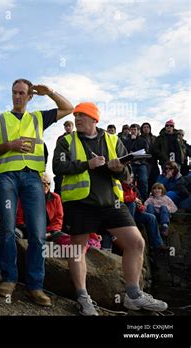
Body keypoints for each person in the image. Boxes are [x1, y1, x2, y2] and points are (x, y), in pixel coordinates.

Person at [53, 102, 167, 316]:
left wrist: (119, 169)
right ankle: (83, 297)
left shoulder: (113, 140)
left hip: (112, 203)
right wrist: (88, 164)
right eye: (76, 116)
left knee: (135, 242)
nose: (77, 120)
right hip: (80, 203)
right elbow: (58, 168)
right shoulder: (65, 140)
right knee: (78, 248)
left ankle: (133, 295)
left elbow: (127, 175)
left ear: (95, 120)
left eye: (83, 116)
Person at [0, 78, 73, 306]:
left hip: (33, 178)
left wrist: (50, 92)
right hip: (6, 176)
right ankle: (9, 278)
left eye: (21, 93)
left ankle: (36, 286)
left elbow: (68, 108)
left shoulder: (38, 117)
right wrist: (9, 146)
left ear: (29, 96)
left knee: (37, 233)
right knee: (7, 228)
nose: (17, 96)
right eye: (14, 92)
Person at [122, 175, 169, 253]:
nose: (130, 179)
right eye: (128, 177)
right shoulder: (119, 186)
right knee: (132, 204)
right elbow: (120, 199)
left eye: (131, 177)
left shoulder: (133, 188)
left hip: (135, 214)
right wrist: (133, 199)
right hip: (123, 214)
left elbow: (142, 206)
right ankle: (131, 229)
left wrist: (140, 206)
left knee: (151, 217)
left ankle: (157, 245)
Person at [122, 123, 149, 200]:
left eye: (135, 130)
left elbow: (145, 151)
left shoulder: (143, 140)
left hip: (141, 164)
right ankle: (133, 199)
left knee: (143, 181)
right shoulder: (127, 141)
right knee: (131, 182)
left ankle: (144, 200)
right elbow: (126, 151)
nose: (133, 131)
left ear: (138, 131)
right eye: (132, 130)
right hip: (131, 165)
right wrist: (132, 141)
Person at [140, 122, 159, 193]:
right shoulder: (140, 138)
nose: (146, 128)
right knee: (146, 181)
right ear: (142, 129)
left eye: (147, 127)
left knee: (155, 180)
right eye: (144, 127)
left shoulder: (154, 138)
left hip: (154, 161)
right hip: (145, 162)